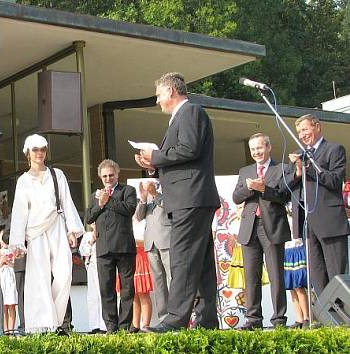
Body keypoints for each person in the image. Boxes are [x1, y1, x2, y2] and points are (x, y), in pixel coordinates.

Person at [135, 72, 220, 332]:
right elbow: (180, 156)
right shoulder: (180, 118)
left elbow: (189, 149)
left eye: (159, 94)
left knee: (182, 258)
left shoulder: (191, 112)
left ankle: (175, 319)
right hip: (189, 198)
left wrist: (157, 156)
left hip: (191, 198)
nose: (158, 100)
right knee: (201, 262)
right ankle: (206, 321)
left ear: (171, 91)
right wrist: (152, 164)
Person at [8, 134, 83, 334]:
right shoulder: (23, 181)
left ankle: (55, 320)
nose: (39, 153)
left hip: (57, 225)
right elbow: (19, 212)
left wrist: (72, 230)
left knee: (64, 273)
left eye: (42, 149)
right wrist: (17, 243)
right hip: (35, 232)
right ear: (28, 153)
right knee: (38, 279)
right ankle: (41, 325)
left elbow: (67, 201)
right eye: (35, 149)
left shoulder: (57, 174)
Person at [286, 114, 350, 295]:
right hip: (307, 222)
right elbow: (288, 185)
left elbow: (335, 180)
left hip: (329, 221)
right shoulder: (300, 155)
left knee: (336, 271)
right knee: (316, 271)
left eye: (305, 129)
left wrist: (308, 168)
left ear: (317, 127)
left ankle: (342, 314)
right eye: (299, 132)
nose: (302, 134)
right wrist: (298, 171)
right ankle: (325, 314)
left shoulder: (334, 149)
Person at [232, 133, 291, 329]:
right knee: (251, 276)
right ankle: (253, 319)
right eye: (253, 149)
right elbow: (236, 197)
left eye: (259, 148)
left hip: (272, 227)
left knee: (275, 274)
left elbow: (284, 196)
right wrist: (250, 189)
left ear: (268, 147)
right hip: (250, 228)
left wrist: (263, 188)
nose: (256, 152)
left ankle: (279, 319)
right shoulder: (245, 170)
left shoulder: (281, 168)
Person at [85, 159, 137, 333]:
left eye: (111, 175)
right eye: (105, 176)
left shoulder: (127, 190)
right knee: (106, 289)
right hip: (103, 249)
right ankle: (111, 327)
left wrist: (108, 200)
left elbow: (129, 209)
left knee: (127, 288)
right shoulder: (95, 196)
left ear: (117, 174)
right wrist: (100, 203)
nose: (108, 178)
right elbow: (88, 218)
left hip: (124, 247)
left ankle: (124, 326)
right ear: (100, 177)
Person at [134, 179, 171, 324]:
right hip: (150, 243)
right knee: (158, 283)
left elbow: (171, 209)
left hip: (167, 239)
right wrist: (143, 200)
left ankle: (178, 318)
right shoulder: (146, 193)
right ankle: (164, 319)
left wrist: (155, 194)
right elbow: (138, 216)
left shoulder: (169, 187)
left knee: (173, 279)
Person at [78, 223, 107, 334]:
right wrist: (92, 241)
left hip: (102, 266)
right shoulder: (87, 235)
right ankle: (94, 325)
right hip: (91, 266)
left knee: (102, 294)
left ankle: (104, 325)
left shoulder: (104, 233)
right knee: (92, 296)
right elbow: (83, 251)